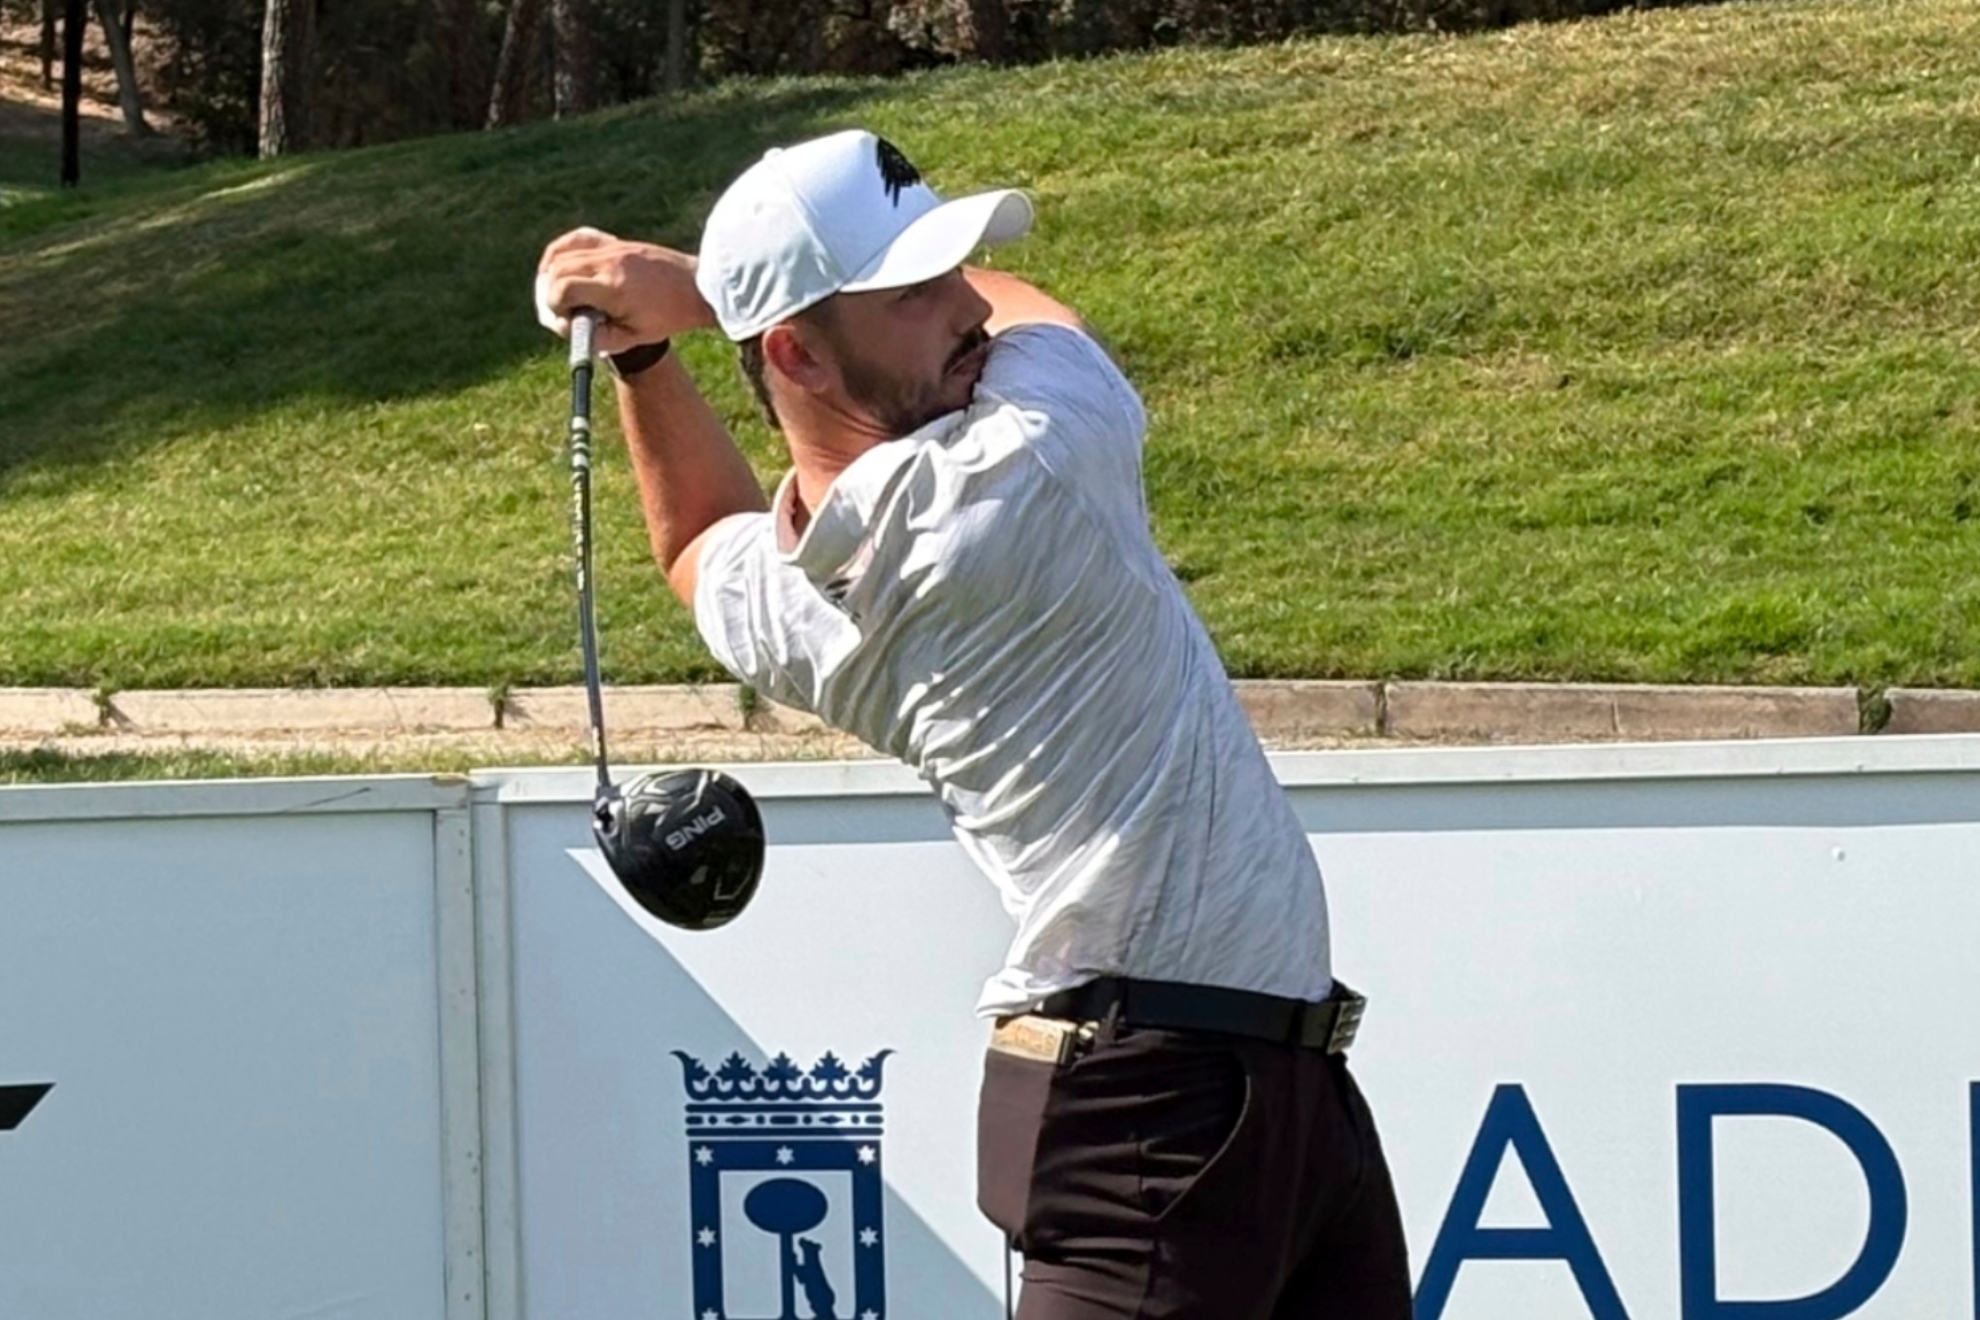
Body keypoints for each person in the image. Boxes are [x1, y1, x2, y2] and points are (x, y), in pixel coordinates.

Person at [535, 127, 1412, 1319]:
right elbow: (1047, 314)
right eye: (915, 291)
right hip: (1160, 1107)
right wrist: (697, 291)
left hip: (1241, 1092)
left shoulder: (795, 600)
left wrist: (650, 359)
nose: (967, 309)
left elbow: (695, 542)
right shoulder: (1028, 466)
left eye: (953, 270)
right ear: (794, 348)